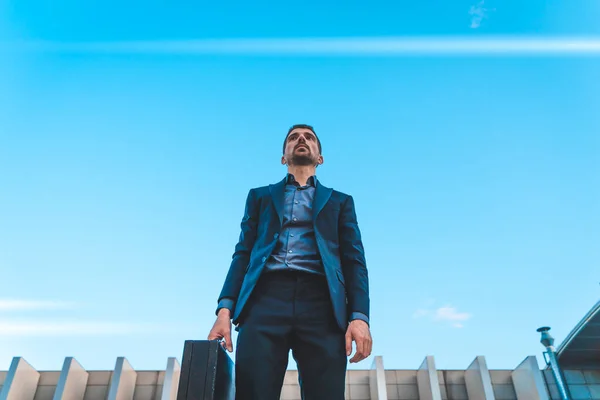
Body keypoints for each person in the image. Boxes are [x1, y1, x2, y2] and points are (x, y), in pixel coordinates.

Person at [208, 124, 372, 400]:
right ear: (283, 157)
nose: (301, 140)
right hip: (264, 300)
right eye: (294, 137)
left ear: (320, 157)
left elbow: (354, 261)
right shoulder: (259, 197)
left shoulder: (341, 202)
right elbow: (243, 253)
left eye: (309, 137)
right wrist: (224, 310)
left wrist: (359, 317)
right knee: (252, 393)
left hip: (323, 304)